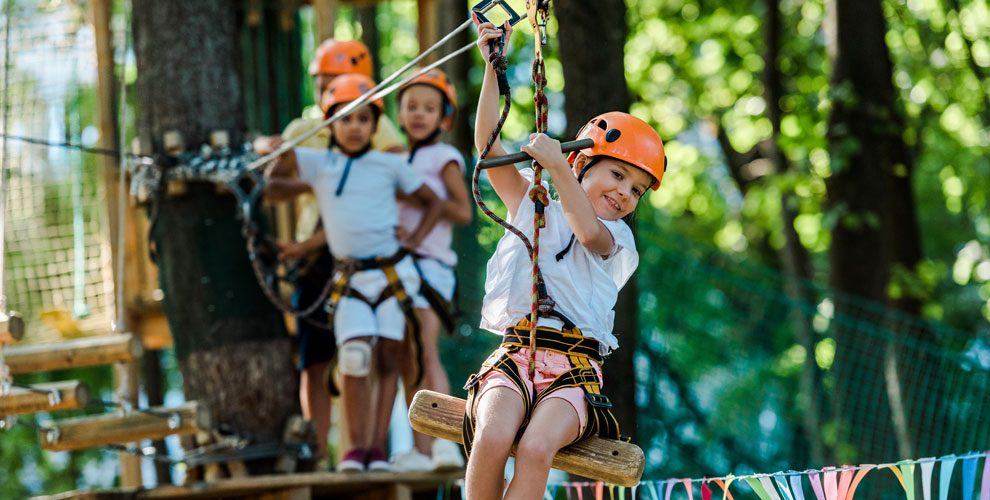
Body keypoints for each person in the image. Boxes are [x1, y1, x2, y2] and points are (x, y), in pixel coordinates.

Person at [462, 17, 668, 499]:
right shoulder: (532, 205)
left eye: (636, 190)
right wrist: (494, 68)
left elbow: (587, 233)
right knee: (491, 436)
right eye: (616, 174)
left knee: (536, 450)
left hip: (573, 370)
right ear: (582, 162)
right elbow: (486, 145)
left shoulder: (617, 242)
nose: (624, 193)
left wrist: (557, 167)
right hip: (516, 356)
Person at [265, 73, 443, 472]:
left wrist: (413, 239)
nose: (355, 127)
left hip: (390, 276)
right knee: (354, 358)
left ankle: (376, 450)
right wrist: (282, 161)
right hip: (349, 280)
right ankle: (354, 449)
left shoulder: (387, 164)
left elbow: (432, 202)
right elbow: (272, 188)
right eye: (345, 119)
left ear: (374, 125)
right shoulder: (318, 162)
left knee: (384, 360)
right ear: (331, 124)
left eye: (363, 119)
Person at [388, 68, 472, 472]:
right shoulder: (397, 158)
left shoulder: (444, 157)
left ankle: (444, 444)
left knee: (425, 351)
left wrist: (421, 201)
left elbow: (461, 210)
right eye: (412, 107)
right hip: (398, 269)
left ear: (445, 118)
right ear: (400, 114)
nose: (419, 114)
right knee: (408, 358)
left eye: (429, 108)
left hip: (430, 268)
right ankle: (420, 451)